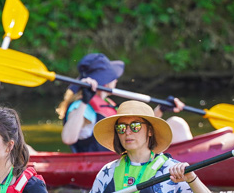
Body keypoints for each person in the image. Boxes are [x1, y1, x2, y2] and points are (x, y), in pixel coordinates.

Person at [58, 100, 219, 193]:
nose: (127, 132)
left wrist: (191, 178)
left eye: (134, 126)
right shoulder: (108, 171)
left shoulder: (170, 171)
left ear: (149, 131)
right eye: (121, 128)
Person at [56, 53, 192, 153]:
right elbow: (68, 138)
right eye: (112, 76)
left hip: (125, 153)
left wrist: (160, 110)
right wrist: (84, 102)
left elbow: (137, 129)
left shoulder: (106, 102)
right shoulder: (81, 106)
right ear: (105, 81)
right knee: (177, 124)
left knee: (176, 123)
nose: (116, 80)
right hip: (106, 162)